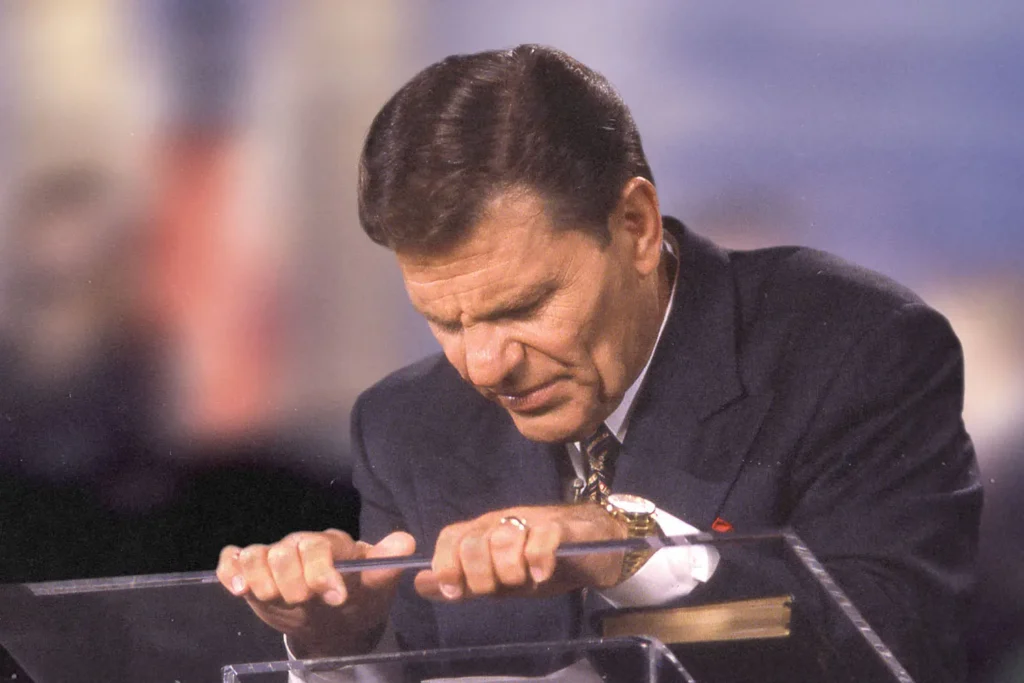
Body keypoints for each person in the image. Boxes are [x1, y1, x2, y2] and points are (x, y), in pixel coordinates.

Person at [217, 45, 981, 682]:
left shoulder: (857, 350)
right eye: (443, 320)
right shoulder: (404, 425)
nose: (483, 366)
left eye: (522, 307)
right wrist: (339, 643)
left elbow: (898, 656)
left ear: (637, 226)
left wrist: (628, 546)